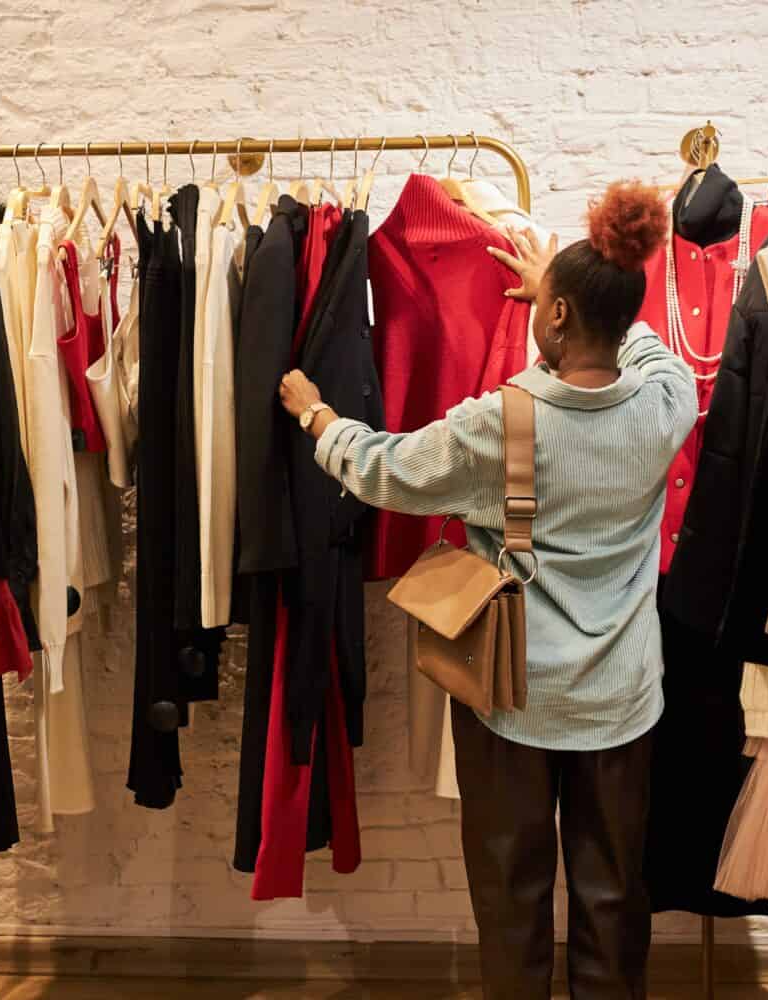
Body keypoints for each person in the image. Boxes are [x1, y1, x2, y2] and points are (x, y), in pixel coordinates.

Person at [279, 181, 695, 999]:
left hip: (513, 697)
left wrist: (318, 417)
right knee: (613, 894)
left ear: (559, 316)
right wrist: (576, 292)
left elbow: (383, 470)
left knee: (511, 892)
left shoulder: (498, 425)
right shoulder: (664, 402)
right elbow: (644, 347)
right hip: (621, 701)